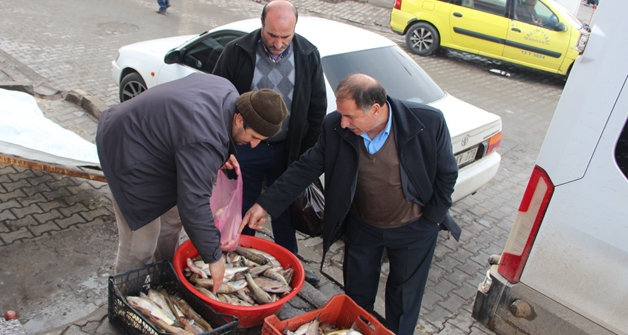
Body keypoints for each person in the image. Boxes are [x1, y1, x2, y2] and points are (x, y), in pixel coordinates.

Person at [241, 73, 461, 334]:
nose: (343, 123)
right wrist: (264, 205)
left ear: (375, 109)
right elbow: (305, 168)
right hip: (363, 228)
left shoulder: (426, 121)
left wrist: (432, 219)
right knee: (356, 299)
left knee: (403, 303)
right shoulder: (335, 127)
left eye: (351, 116)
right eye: (341, 114)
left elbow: (447, 173)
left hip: (414, 228)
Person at [96, 72, 288, 294]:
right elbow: (194, 204)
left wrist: (223, 152)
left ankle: (164, 278)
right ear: (239, 119)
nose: (254, 145)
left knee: (172, 222)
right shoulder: (204, 138)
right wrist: (214, 258)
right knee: (141, 243)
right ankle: (126, 299)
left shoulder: (228, 91)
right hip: (127, 150)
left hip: (159, 148)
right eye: (254, 137)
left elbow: (196, 133)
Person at [212, 0, 327, 284]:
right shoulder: (237, 51)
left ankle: (291, 266)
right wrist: (227, 147)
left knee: (284, 207)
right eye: (271, 35)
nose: (277, 43)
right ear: (261, 24)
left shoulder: (308, 55)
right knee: (244, 205)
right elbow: (216, 96)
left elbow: (316, 108)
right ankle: (241, 260)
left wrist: (304, 154)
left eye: (285, 37)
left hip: (286, 151)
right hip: (244, 149)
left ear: (295, 30)